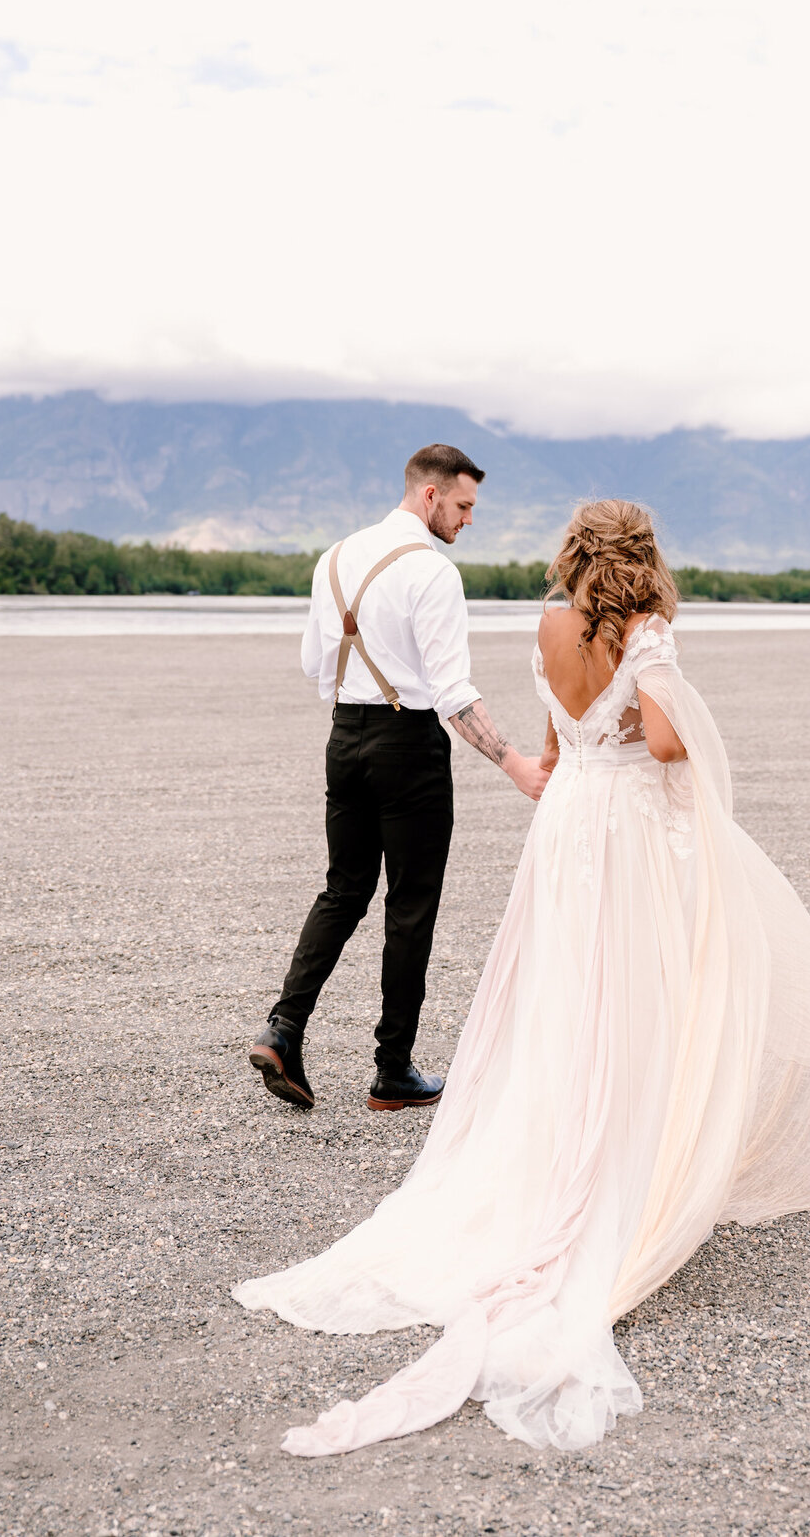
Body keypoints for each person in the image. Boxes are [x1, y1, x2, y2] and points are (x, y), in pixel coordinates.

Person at [234, 500, 810, 1454]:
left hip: (569, 817)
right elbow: (662, 743)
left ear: (577, 552)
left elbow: (557, 734)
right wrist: (689, 724)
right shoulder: (642, 629)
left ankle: (563, 1130)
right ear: (645, 557)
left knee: (562, 992)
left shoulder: (548, 621)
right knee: (640, 982)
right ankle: (633, 1145)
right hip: (624, 824)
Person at [249, 442, 549, 1115]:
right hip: (408, 745)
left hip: (344, 735)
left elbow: (310, 665)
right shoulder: (433, 572)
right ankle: (392, 1071)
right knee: (410, 904)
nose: (469, 521)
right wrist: (514, 762)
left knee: (343, 890)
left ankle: (283, 1028)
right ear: (431, 495)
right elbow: (450, 693)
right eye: (465, 506)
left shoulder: (334, 557)